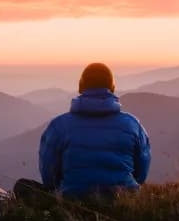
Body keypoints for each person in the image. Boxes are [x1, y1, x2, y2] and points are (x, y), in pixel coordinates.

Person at [18, 62, 151, 199]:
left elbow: (48, 173)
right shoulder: (132, 125)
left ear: (81, 87)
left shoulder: (58, 126)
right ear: (112, 87)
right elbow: (142, 171)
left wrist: (62, 189)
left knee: (22, 186)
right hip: (124, 200)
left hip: (74, 201)